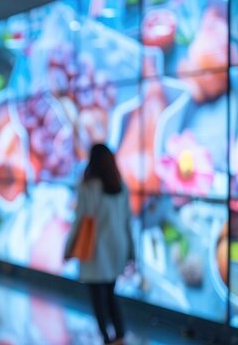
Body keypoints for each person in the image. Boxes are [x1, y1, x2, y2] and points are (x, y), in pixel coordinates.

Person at [64, 144, 134, 345]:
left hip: (96, 250)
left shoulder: (88, 187)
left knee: (97, 297)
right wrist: (131, 250)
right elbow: (127, 222)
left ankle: (106, 338)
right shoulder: (121, 186)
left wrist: (69, 248)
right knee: (111, 293)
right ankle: (119, 336)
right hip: (117, 248)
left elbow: (79, 220)